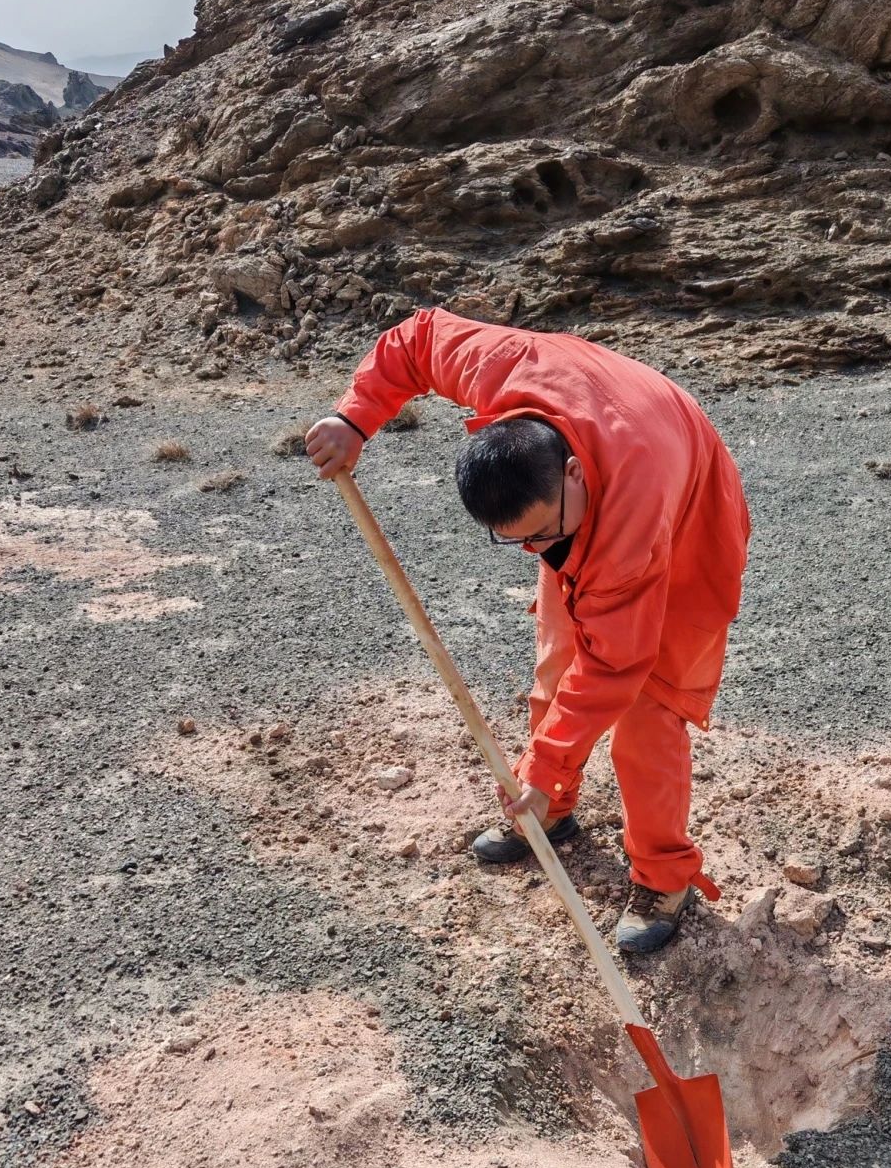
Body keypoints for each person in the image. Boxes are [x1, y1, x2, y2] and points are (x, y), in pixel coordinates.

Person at [305, 307, 749, 954]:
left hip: (684, 516)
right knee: (555, 663)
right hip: (600, 481)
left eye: (539, 536)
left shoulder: (628, 522)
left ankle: (663, 877)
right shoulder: (505, 372)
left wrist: (539, 763)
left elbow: (613, 666)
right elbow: (419, 337)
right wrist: (355, 416)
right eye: (513, 540)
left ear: (570, 478)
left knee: (647, 713)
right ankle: (551, 809)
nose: (530, 551)